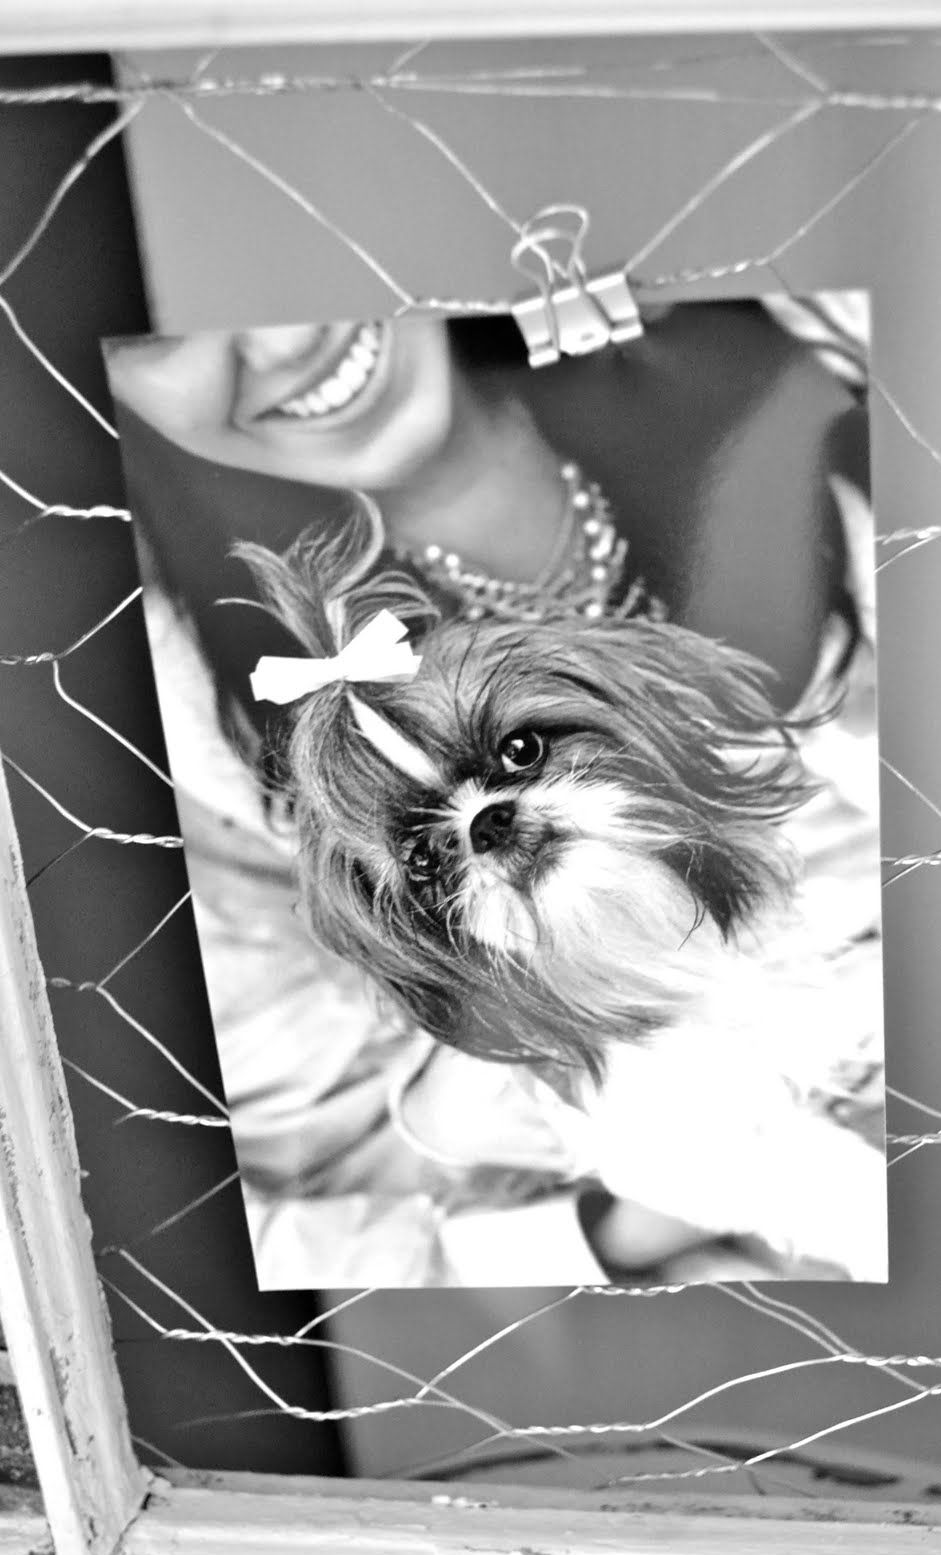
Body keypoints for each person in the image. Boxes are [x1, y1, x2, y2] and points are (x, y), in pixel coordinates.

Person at [105, 297, 881, 1286]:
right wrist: (618, 1216)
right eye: (432, 856)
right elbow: (292, 1192)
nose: (285, 333)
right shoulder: (161, 713)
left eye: (519, 752)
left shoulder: (780, 341)